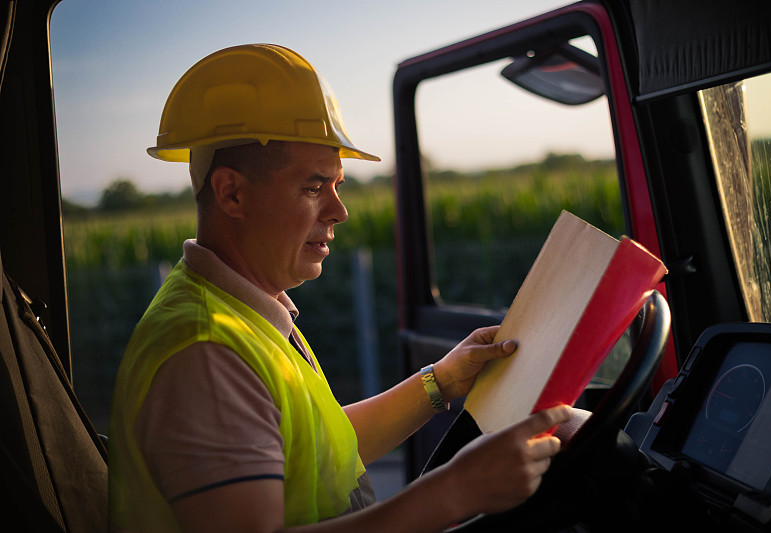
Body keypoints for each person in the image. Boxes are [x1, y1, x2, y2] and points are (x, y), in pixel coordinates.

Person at [108, 43, 573, 533]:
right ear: (232, 193)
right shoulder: (206, 353)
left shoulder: (240, 312)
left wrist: (442, 382)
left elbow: (314, 448)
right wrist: (454, 491)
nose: (339, 211)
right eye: (313, 187)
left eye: (337, 186)